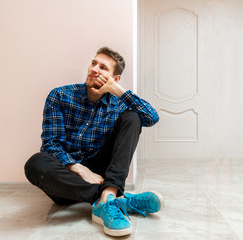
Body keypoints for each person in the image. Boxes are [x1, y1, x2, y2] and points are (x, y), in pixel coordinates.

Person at [24, 47, 164, 237]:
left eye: (103, 67)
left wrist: (119, 92)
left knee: (134, 117)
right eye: (93, 63)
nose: (94, 69)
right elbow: (50, 144)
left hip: (101, 172)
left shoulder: (119, 104)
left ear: (115, 79)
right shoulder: (59, 96)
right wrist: (80, 169)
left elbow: (152, 117)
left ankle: (108, 196)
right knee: (35, 163)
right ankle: (115, 199)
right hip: (67, 178)